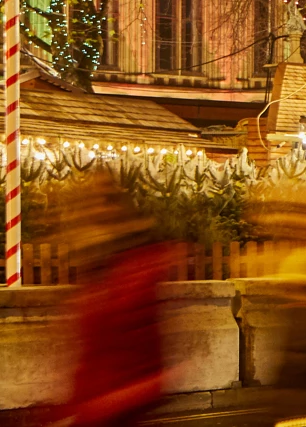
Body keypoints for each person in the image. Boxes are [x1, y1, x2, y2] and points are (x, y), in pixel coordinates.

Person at [61, 170, 177, 427]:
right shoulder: (98, 269)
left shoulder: (136, 268)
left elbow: (133, 339)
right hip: (101, 401)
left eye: (100, 202)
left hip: (120, 402)